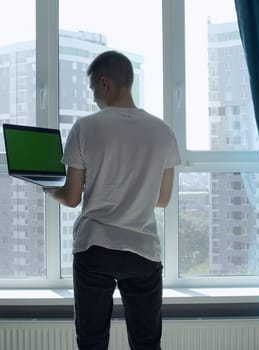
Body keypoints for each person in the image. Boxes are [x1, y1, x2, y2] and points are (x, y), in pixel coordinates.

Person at [44, 50, 180, 350]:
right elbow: (163, 199)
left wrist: (48, 188)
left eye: (93, 89)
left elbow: (70, 198)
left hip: (95, 248)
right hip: (143, 251)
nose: (94, 97)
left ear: (105, 83)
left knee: (92, 342)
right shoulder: (163, 132)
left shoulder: (86, 127)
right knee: (146, 343)